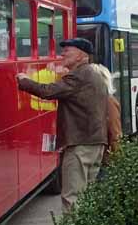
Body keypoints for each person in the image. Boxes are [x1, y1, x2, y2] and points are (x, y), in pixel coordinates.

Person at [17, 39, 107, 211]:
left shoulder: (78, 76)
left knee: (72, 198)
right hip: (95, 142)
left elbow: (48, 91)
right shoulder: (94, 74)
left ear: (81, 55)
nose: (62, 54)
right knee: (88, 196)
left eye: (68, 50)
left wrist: (23, 80)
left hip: (80, 144)